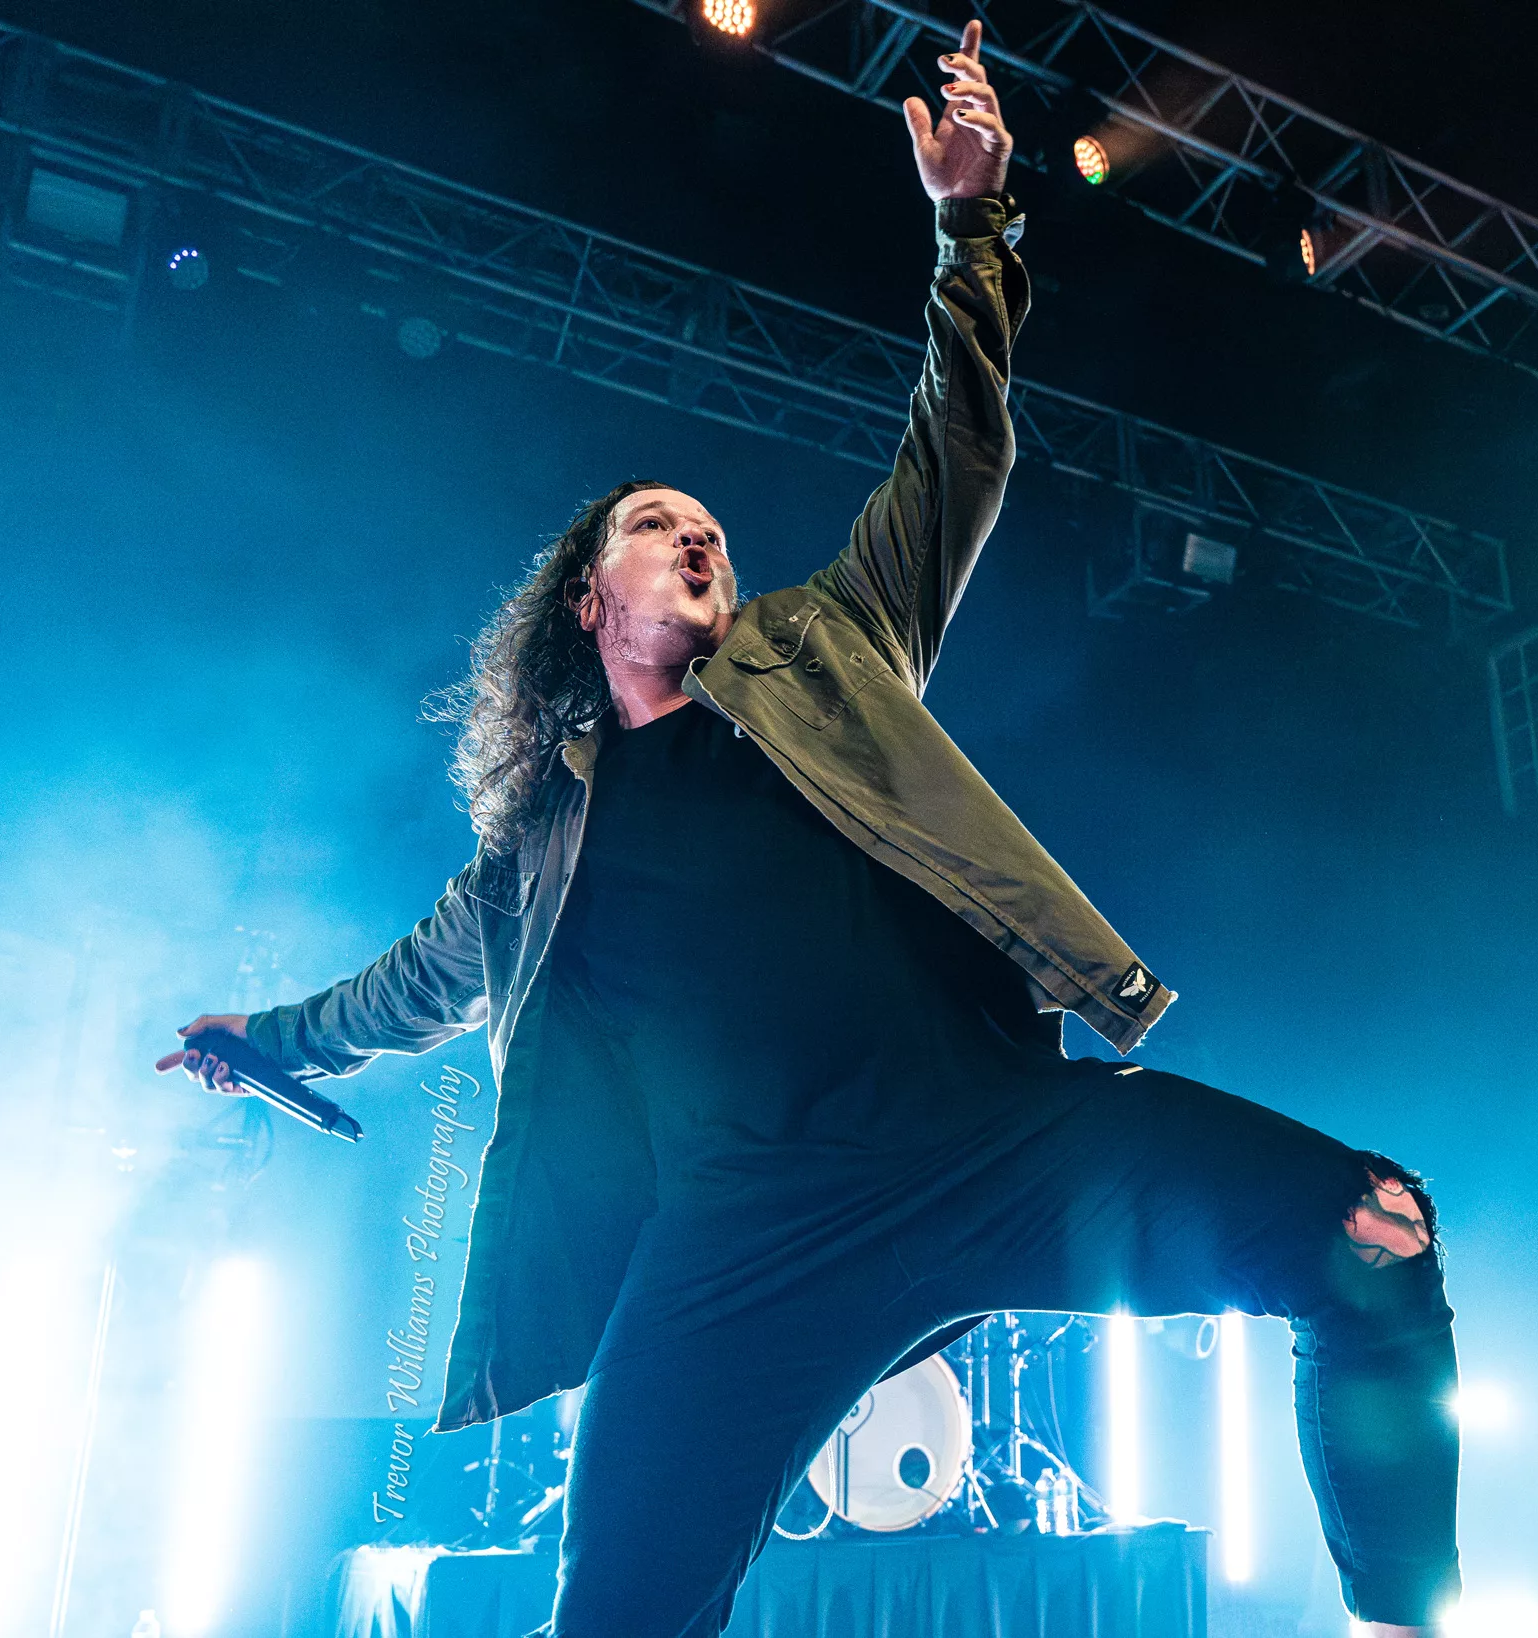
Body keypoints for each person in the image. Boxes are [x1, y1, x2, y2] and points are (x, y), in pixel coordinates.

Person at [158, 22, 1459, 1637]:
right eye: (657, 525)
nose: (698, 531)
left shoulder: (825, 649)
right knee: (617, 1611)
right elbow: (403, 992)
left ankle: (1403, 1616)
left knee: (1373, 1231)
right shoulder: (541, 847)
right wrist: (264, 1039)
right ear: (587, 600)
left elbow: (956, 450)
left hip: (991, 1141)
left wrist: (974, 227)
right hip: (743, 1237)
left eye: (708, 523)